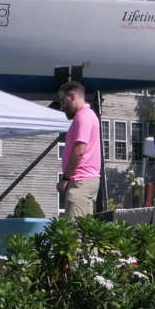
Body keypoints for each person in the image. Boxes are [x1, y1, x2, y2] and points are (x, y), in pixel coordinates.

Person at [55, 80, 101, 219]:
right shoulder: (85, 116)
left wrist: (65, 178)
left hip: (80, 181)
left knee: (74, 234)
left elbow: (79, 150)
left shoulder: (84, 117)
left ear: (73, 96)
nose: (62, 106)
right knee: (84, 233)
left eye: (64, 101)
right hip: (84, 180)